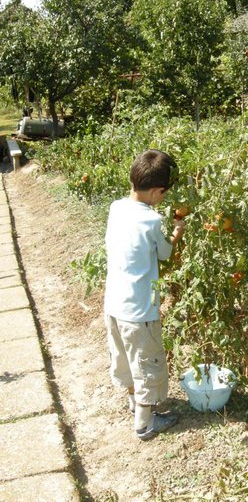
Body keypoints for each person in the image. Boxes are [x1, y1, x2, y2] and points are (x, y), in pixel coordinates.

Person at [104, 149, 185, 440]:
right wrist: (177, 232)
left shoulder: (116, 207)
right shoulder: (151, 221)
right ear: (155, 191)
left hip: (113, 303)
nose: (162, 199)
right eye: (162, 194)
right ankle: (144, 424)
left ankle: (132, 403)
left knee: (125, 359)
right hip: (139, 310)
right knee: (148, 364)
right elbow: (164, 253)